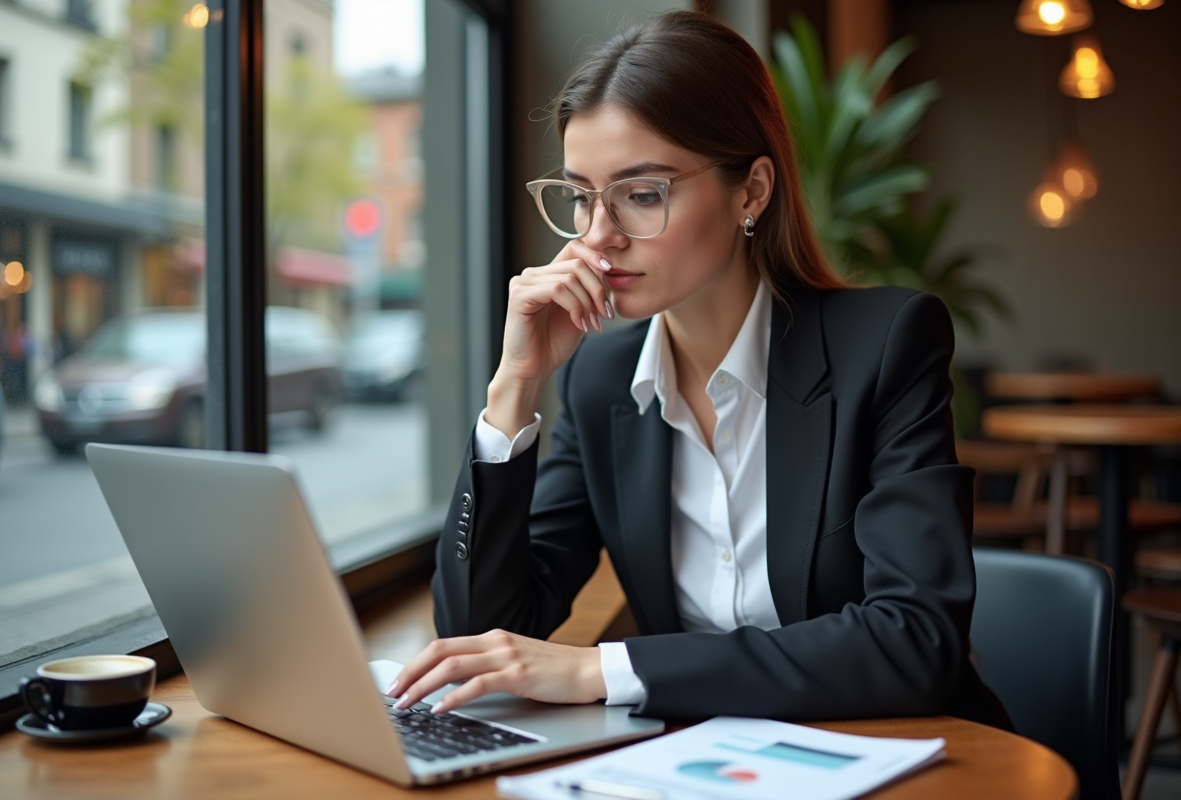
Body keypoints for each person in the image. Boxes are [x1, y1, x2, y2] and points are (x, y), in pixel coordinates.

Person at [387, 10, 1011, 729]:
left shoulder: (884, 345)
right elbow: (482, 632)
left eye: (642, 194)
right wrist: (513, 388)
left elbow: (916, 641)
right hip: (706, 763)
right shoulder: (602, 379)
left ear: (751, 191)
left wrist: (601, 669)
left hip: (906, 752)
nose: (599, 236)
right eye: (583, 197)